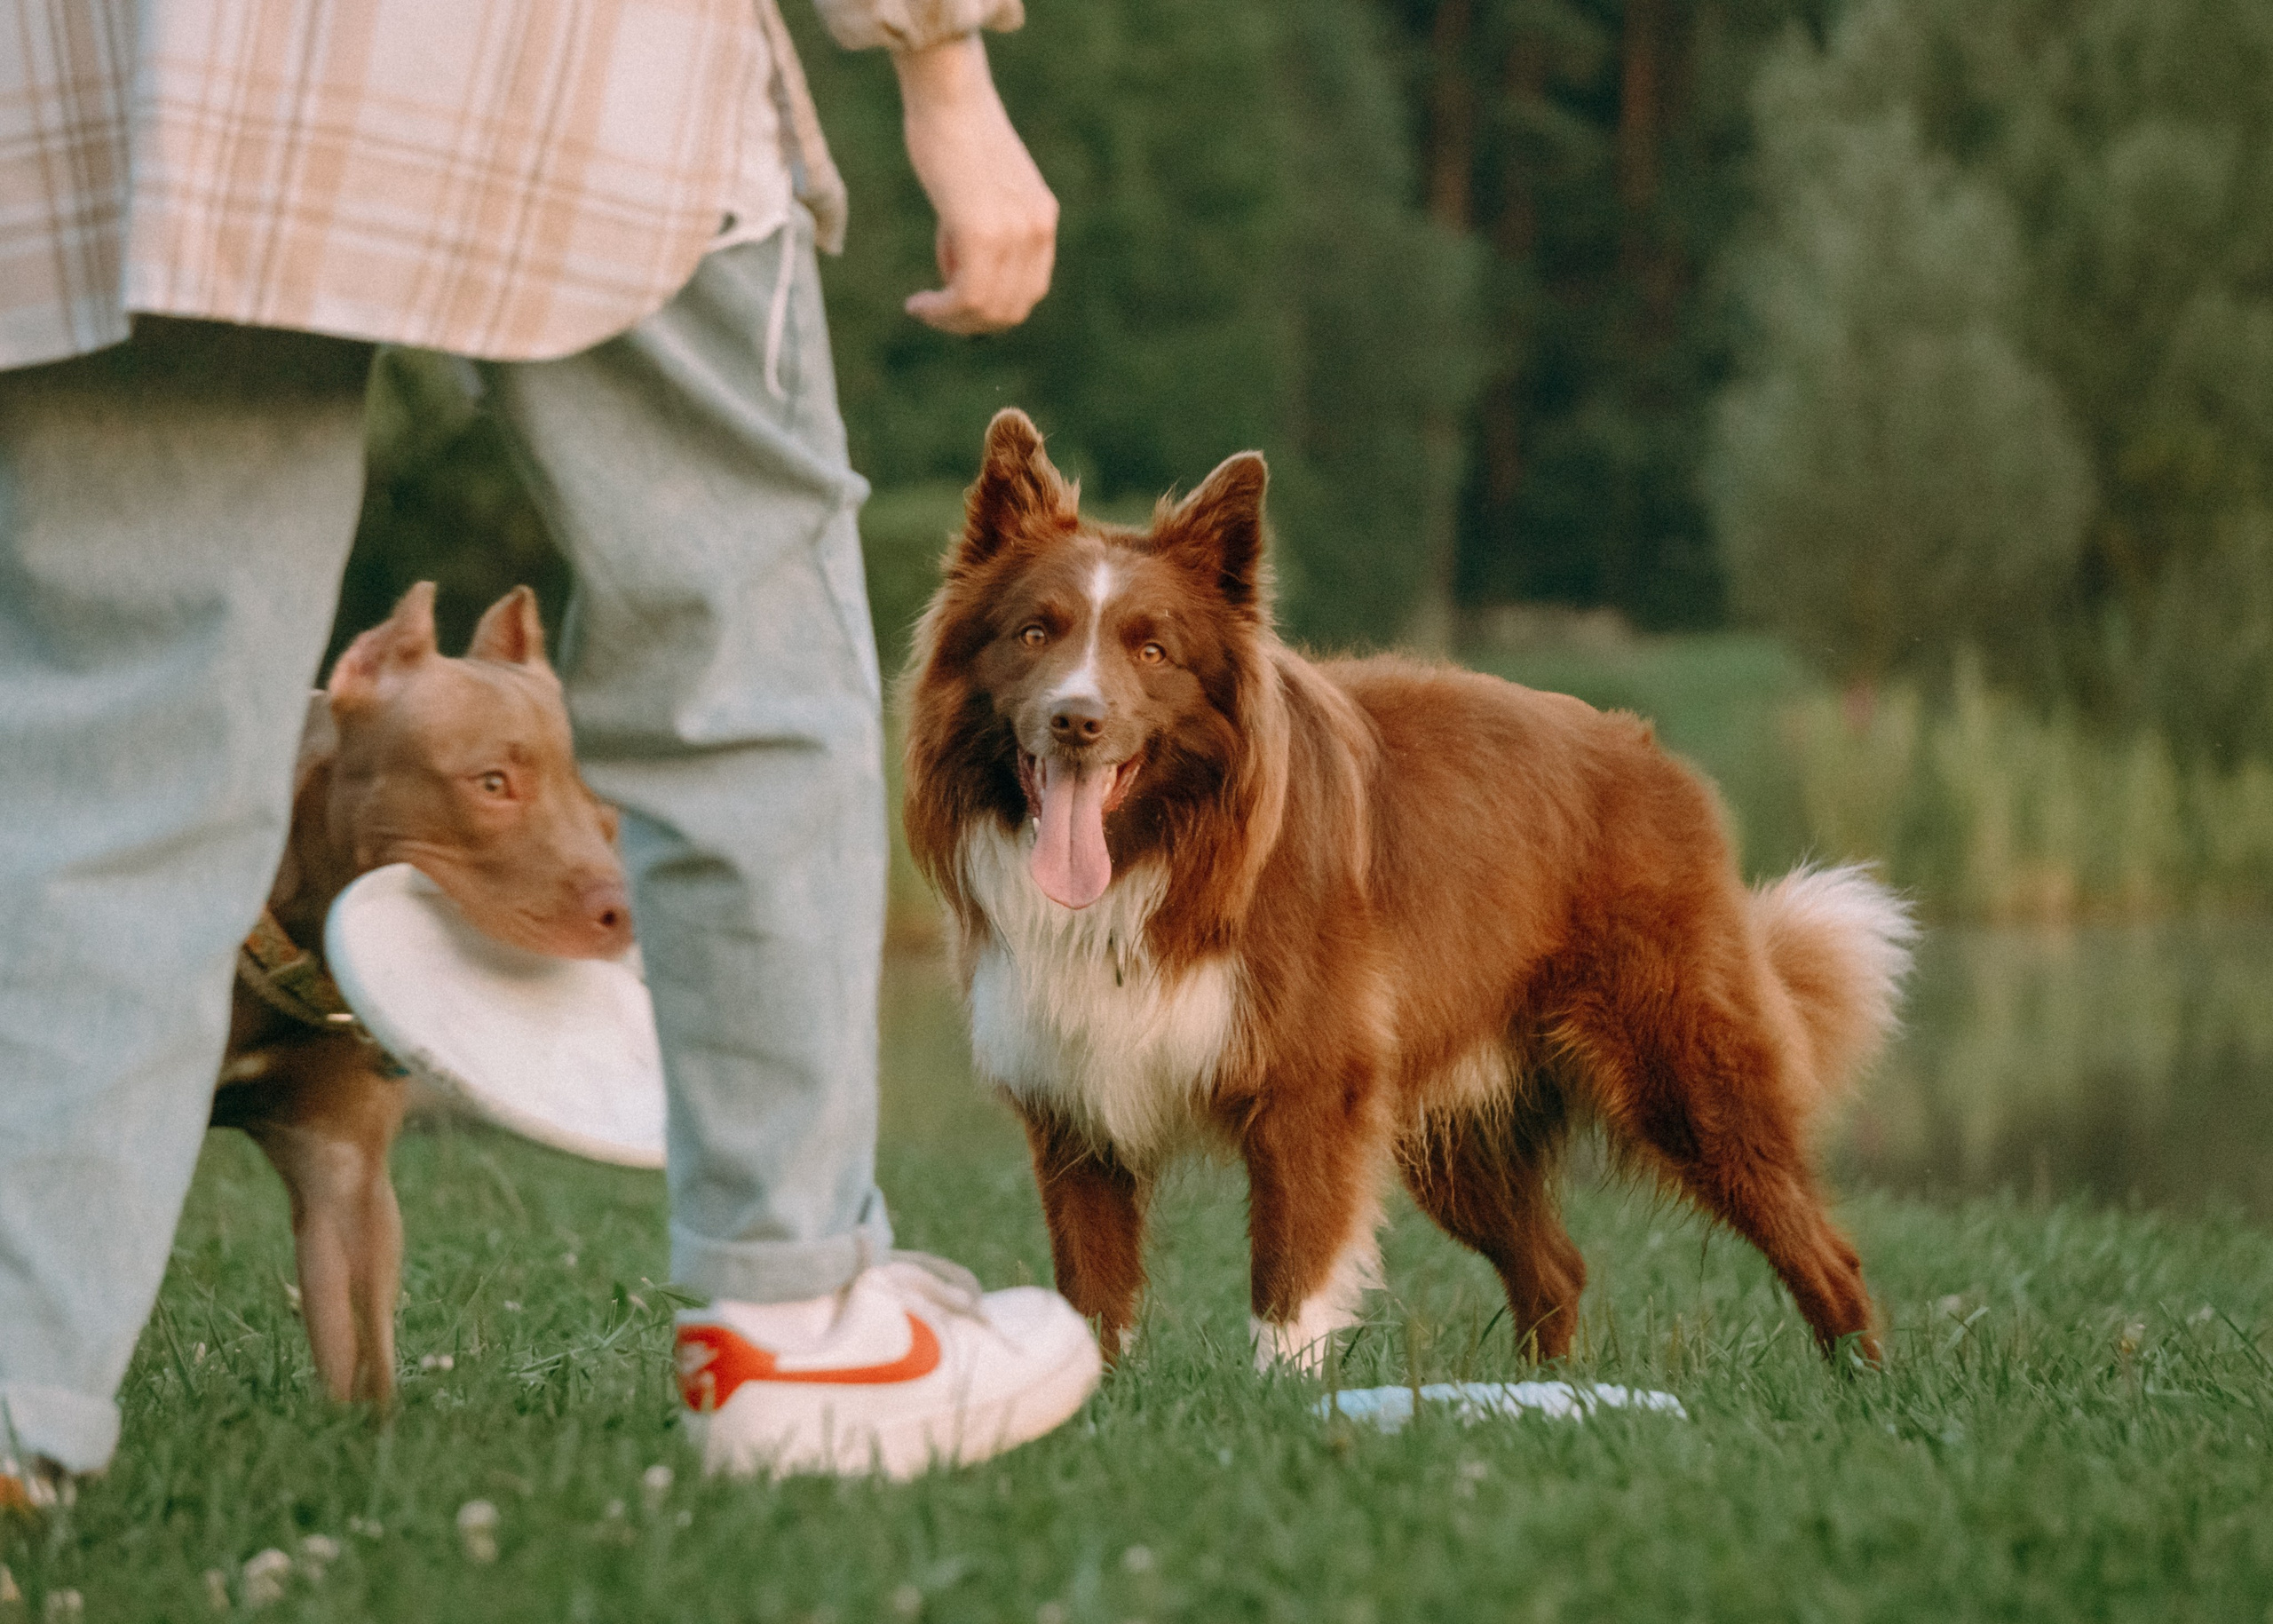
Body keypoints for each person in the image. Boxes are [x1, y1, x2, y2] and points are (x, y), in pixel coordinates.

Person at [0, 0, 1097, 1500]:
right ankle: (791, 1323)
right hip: (567, 61)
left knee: (124, 715)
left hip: (138, 70)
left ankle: (18, 1391)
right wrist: (941, 64)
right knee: (734, 639)